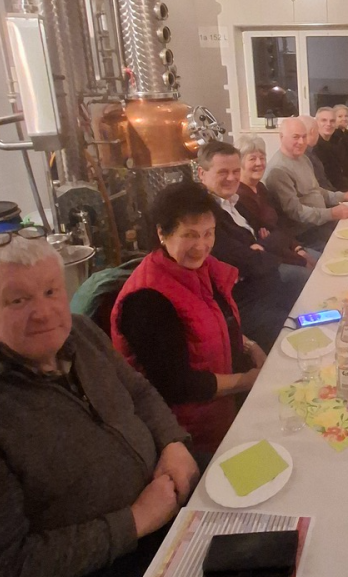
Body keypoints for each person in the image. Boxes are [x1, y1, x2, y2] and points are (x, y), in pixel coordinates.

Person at [0, 233, 197, 577]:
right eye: (18, 300)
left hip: (162, 499)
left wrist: (173, 442)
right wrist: (134, 521)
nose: (44, 313)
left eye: (51, 291)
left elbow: (138, 392)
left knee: (270, 513)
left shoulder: (78, 332)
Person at [112, 183, 265, 456]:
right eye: (189, 235)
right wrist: (247, 381)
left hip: (225, 411)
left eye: (208, 233)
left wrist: (251, 347)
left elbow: (215, 325)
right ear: (162, 233)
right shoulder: (146, 300)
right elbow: (176, 385)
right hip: (192, 438)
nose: (201, 246)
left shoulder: (200, 269)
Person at [197, 141, 307, 343]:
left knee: (318, 299)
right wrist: (263, 247)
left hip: (268, 284)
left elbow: (276, 231)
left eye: (235, 171)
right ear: (201, 174)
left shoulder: (234, 202)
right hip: (246, 303)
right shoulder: (204, 215)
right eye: (223, 172)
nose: (232, 178)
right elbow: (249, 262)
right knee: (302, 334)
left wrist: (261, 247)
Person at [264, 117, 348, 250]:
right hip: (305, 232)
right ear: (281, 137)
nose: (301, 142)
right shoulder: (278, 171)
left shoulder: (303, 158)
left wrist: (343, 196)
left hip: (321, 222)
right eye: (296, 137)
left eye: (304, 136)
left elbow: (316, 190)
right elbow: (296, 212)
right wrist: (331, 213)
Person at [233, 133, 316, 272]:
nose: (259, 163)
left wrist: (298, 248)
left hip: (288, 247)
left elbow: (280, 225)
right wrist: (299, 258)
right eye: (252, 159)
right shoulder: (239, 196)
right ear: (239, 163)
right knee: (309, 274)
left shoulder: (261, 188)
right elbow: (265, 244)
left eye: (262, 158)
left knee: (325, 259)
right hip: (273, 259)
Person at [312, 106, 348, 191]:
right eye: (324, 120)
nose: (329, 124)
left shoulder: (335, 142)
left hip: (341, 188)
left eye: (332, 121)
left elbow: (339, 173)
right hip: (329, 193)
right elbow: (326, 180)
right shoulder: (315, 147)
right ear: (316, 122)